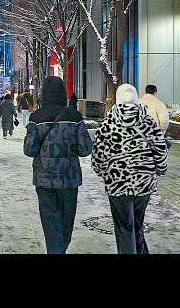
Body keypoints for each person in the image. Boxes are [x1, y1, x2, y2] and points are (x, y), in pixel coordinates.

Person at [91, 83, 168, 254]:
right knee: (137, 223)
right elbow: (160, 151)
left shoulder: (107, 125)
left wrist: (103, 172)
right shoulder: (148, 123)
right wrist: (160, 170)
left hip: (117, 185)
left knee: (124, 227)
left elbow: (97, 157)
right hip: (144, 185)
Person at [23, 76, 93, 254]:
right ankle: (60, 250)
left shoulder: (36, 117)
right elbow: (85, 149)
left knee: (49, 220)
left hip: (44, 179)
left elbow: (29, 149)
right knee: (66, 219)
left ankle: (54, 251)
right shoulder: (74, 116)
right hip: (69, 179)